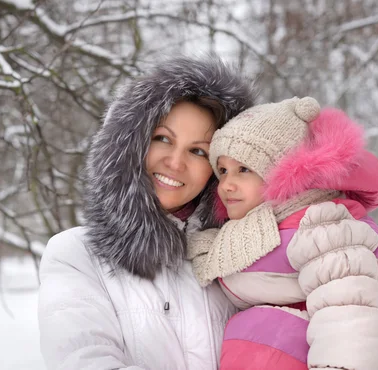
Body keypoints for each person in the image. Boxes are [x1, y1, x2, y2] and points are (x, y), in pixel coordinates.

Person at [38, 54, 256, 370]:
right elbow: (85, 360)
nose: (176, 162)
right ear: (131, 145)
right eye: (162, 139)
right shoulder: (75, 254)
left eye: (197, 151)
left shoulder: (240, 257)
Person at [187, 97, 378, 370]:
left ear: (280, 172)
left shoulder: (320, 223)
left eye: (244, 169)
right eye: (223, 171)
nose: (227, 184)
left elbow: (348, 309)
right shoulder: (263, 227)